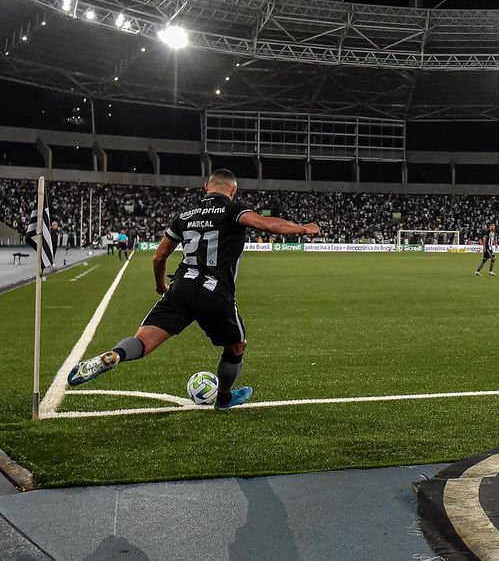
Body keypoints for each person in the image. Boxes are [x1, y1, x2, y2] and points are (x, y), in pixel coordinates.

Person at [66, 169, 320, 410]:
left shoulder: (185, 217)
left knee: (142, 341)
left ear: (205, 187)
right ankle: (224, 398)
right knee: (237, 347)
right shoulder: (233, 210)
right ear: (233, 191)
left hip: (181, 287)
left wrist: (160, 286)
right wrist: (304, 228)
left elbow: (158, 258)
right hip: (214, 291)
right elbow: (267, 225)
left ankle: (114, 355)